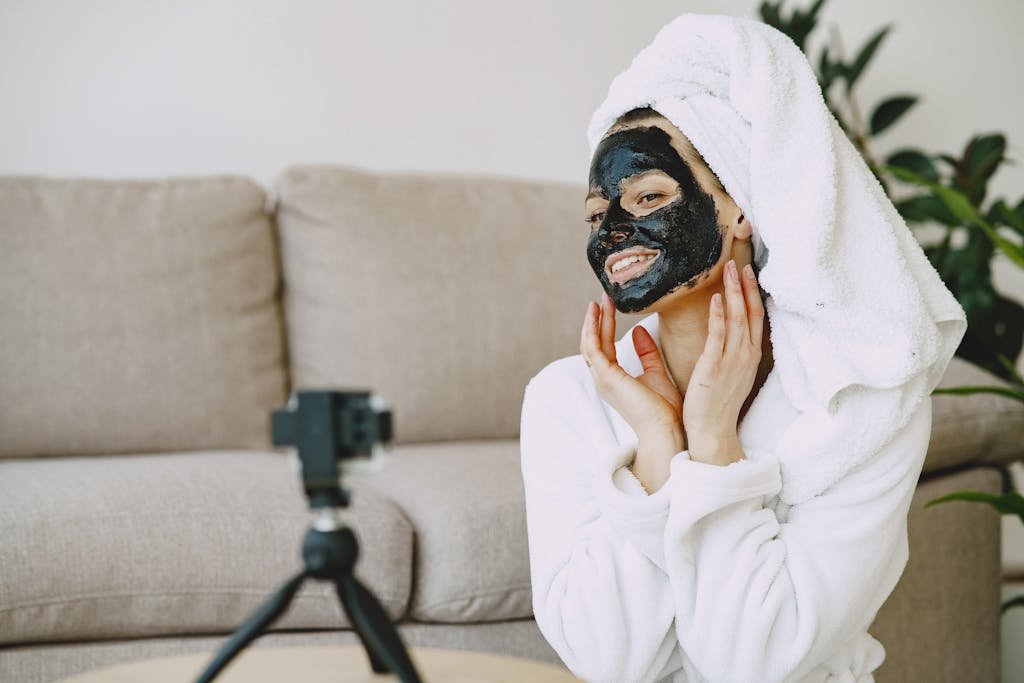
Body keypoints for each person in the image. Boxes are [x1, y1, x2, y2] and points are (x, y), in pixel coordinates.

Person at [518, 104, 933, 682]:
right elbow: (605, 664)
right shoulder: (563, 399)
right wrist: (657, 452)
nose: (611, 230)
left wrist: (714, 446)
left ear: (742, 206)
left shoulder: (859, 402)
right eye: (595, 215)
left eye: (648, 198)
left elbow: (753, 666)